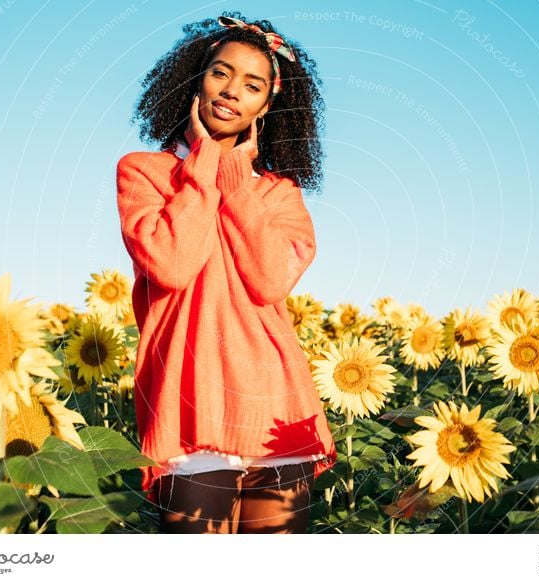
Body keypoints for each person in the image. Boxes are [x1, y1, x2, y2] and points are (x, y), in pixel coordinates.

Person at [116, 13, 337, 534]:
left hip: (277, 399)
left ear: (267, 105)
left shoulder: (277, 193)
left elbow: (268, 281)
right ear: (195, 79)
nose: (232, 90)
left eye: (252, 84)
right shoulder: (144, 171)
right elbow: (170, 264)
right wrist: (202, 166)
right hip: (190, 398)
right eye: (221, 72)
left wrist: (235, 176)